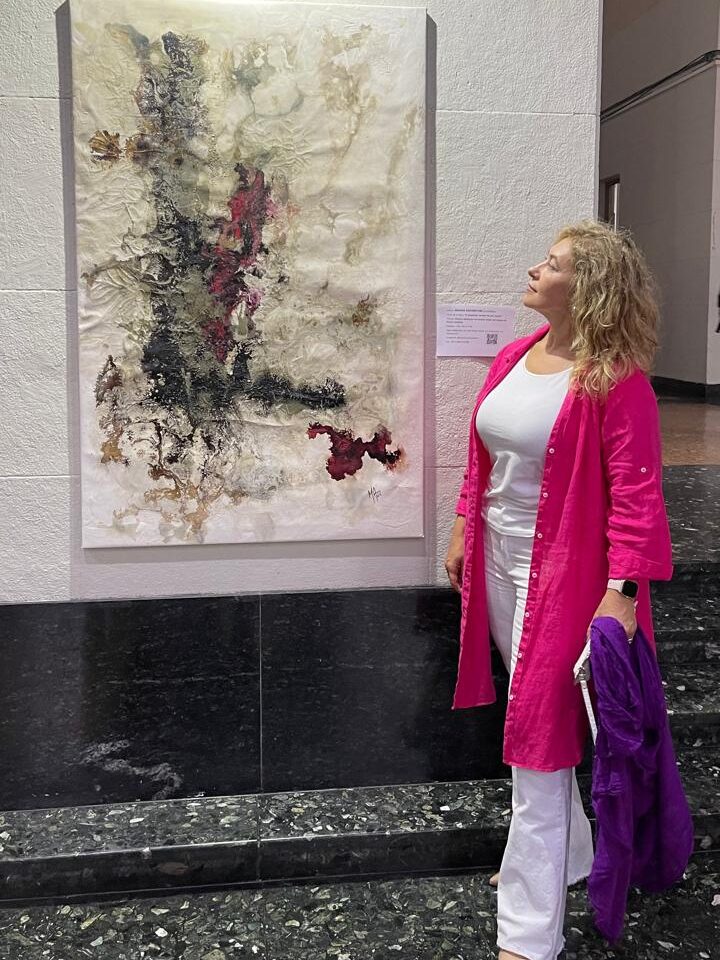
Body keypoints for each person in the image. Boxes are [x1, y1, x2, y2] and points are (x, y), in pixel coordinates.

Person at [444, 219, 673, 960]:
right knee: (532, 710)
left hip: (569, 578)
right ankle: (570, 854)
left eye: (552, 264)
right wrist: (462, 526)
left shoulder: (618, 382)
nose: (534, 270)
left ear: (589, 289)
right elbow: (482, 460)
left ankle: (528, 932)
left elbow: (638, 498)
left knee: (538, 742)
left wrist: (623, 591)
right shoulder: (515, 356)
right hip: (498, 563)